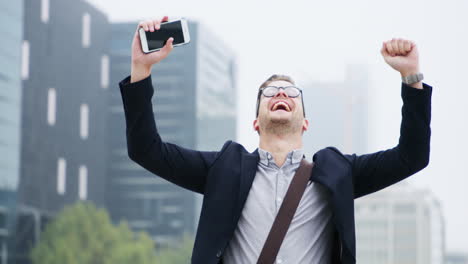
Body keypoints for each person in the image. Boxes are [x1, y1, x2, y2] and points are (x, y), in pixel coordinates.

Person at [119, 16, 432, 264]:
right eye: (269, 92)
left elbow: (412, 157)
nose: (281, 93)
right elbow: (147, 150)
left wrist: (411, 76)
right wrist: (141, 68)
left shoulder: (338, 172)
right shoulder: (223, 168)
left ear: (305, 122)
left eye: (291, 92)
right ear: (256, 122)